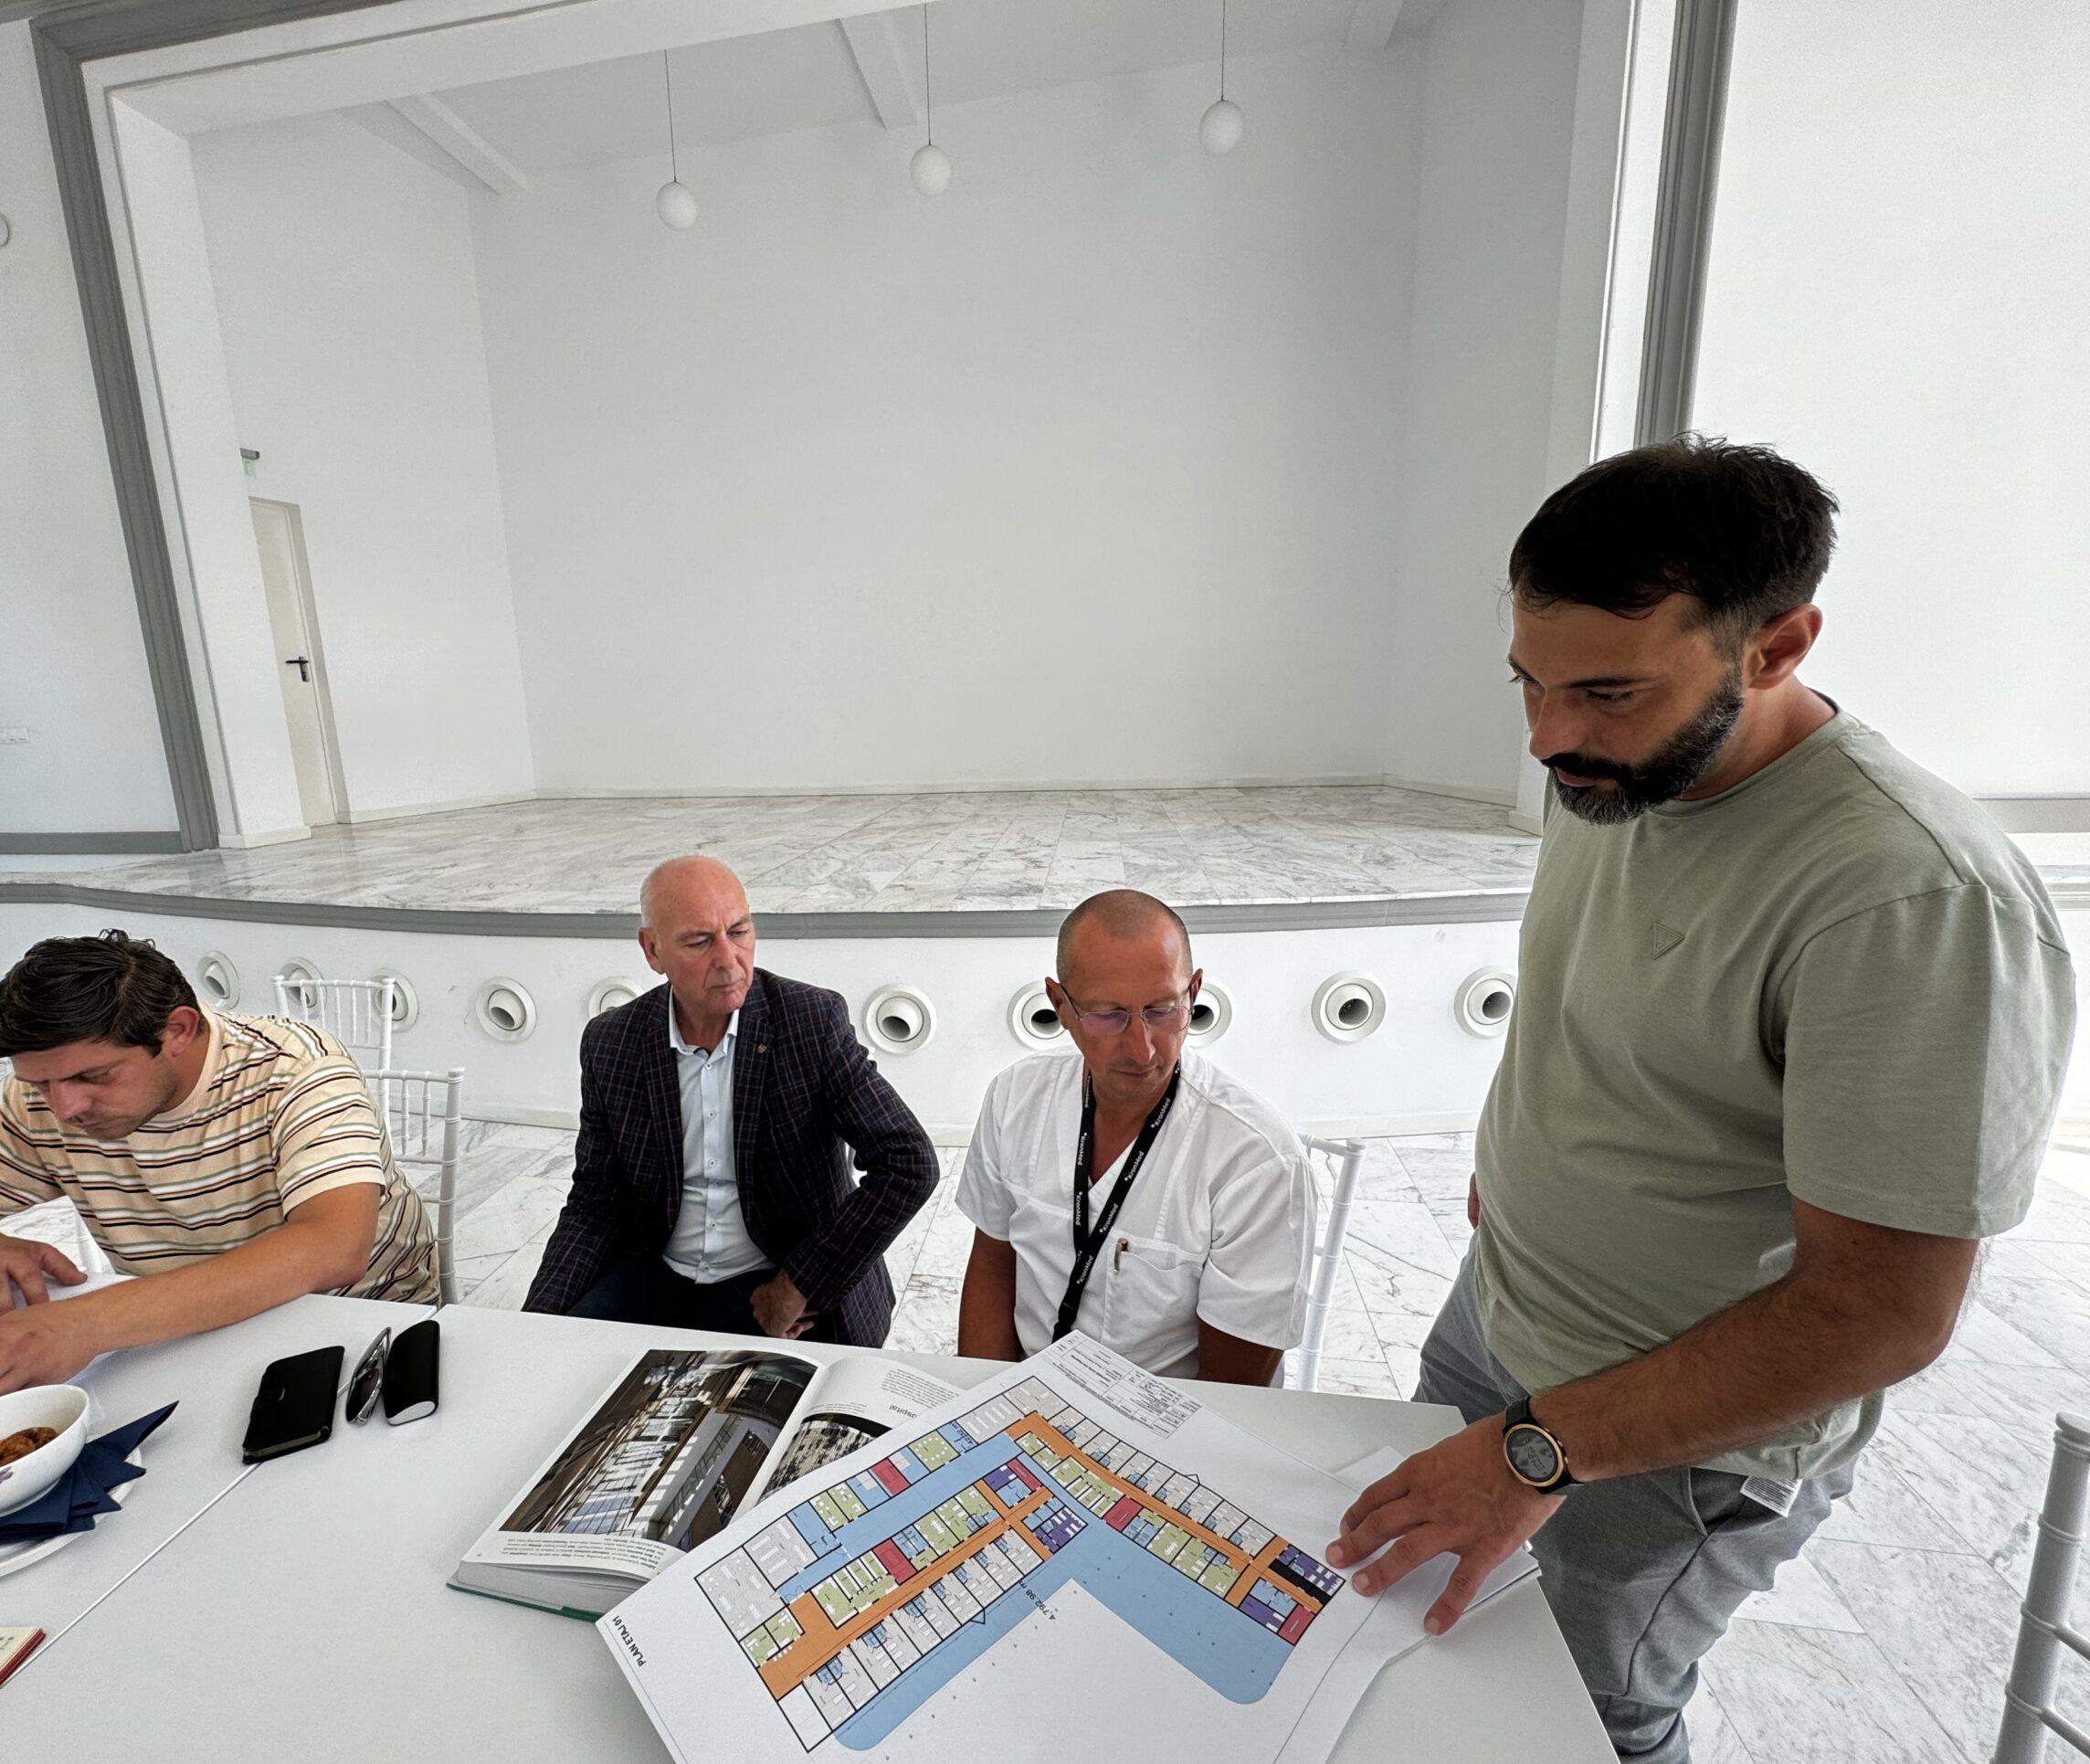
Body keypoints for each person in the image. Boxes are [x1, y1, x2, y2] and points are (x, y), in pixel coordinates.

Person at [1325, 438, 2076, 1763]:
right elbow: (1613, 1001)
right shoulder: (1618, 773)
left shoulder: (1910, 895)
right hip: (1497, 1320)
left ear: (1776, 645)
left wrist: (1539, 1450)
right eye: (1529, 681)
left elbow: (1882, 1310)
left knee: (1577, 1721)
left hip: (1667, 1446)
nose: (1548, 735)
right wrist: (1524, 1172)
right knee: (1434, 1667)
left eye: (1606, 690)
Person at [0, 931, 438, 1431]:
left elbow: (333, 1248)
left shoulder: (296, 1071)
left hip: (357, 1330)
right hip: (178, 1334)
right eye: (41, 1083)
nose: (65, 1108)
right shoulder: (40, 1100)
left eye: (93, 1077)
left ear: (177, 1031)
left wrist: (84, 1323)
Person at [523, 855, 937, 1346]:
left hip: (773, 1279)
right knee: (554, 1362)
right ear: (652, 950)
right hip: (656, 1271)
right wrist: (533, 1321)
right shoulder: (612, 1042)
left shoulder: (810, 1022)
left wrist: (799, 1284)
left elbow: (908, 1162)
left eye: (738, 932)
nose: (728, 959)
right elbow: (595, 1201)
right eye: (699, 941)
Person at [955, 888, 1313, 1385]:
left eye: (1163, 1010)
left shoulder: (1256, 1161)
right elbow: (993, 1266)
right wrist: (985, 1403)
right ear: (1060, 1006)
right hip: (1028, 1394)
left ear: (1194, 992)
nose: (1141, 1050)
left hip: (1173, 1416)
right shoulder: (1015, 1099)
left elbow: (1232, 1392)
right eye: (1109, 1015)